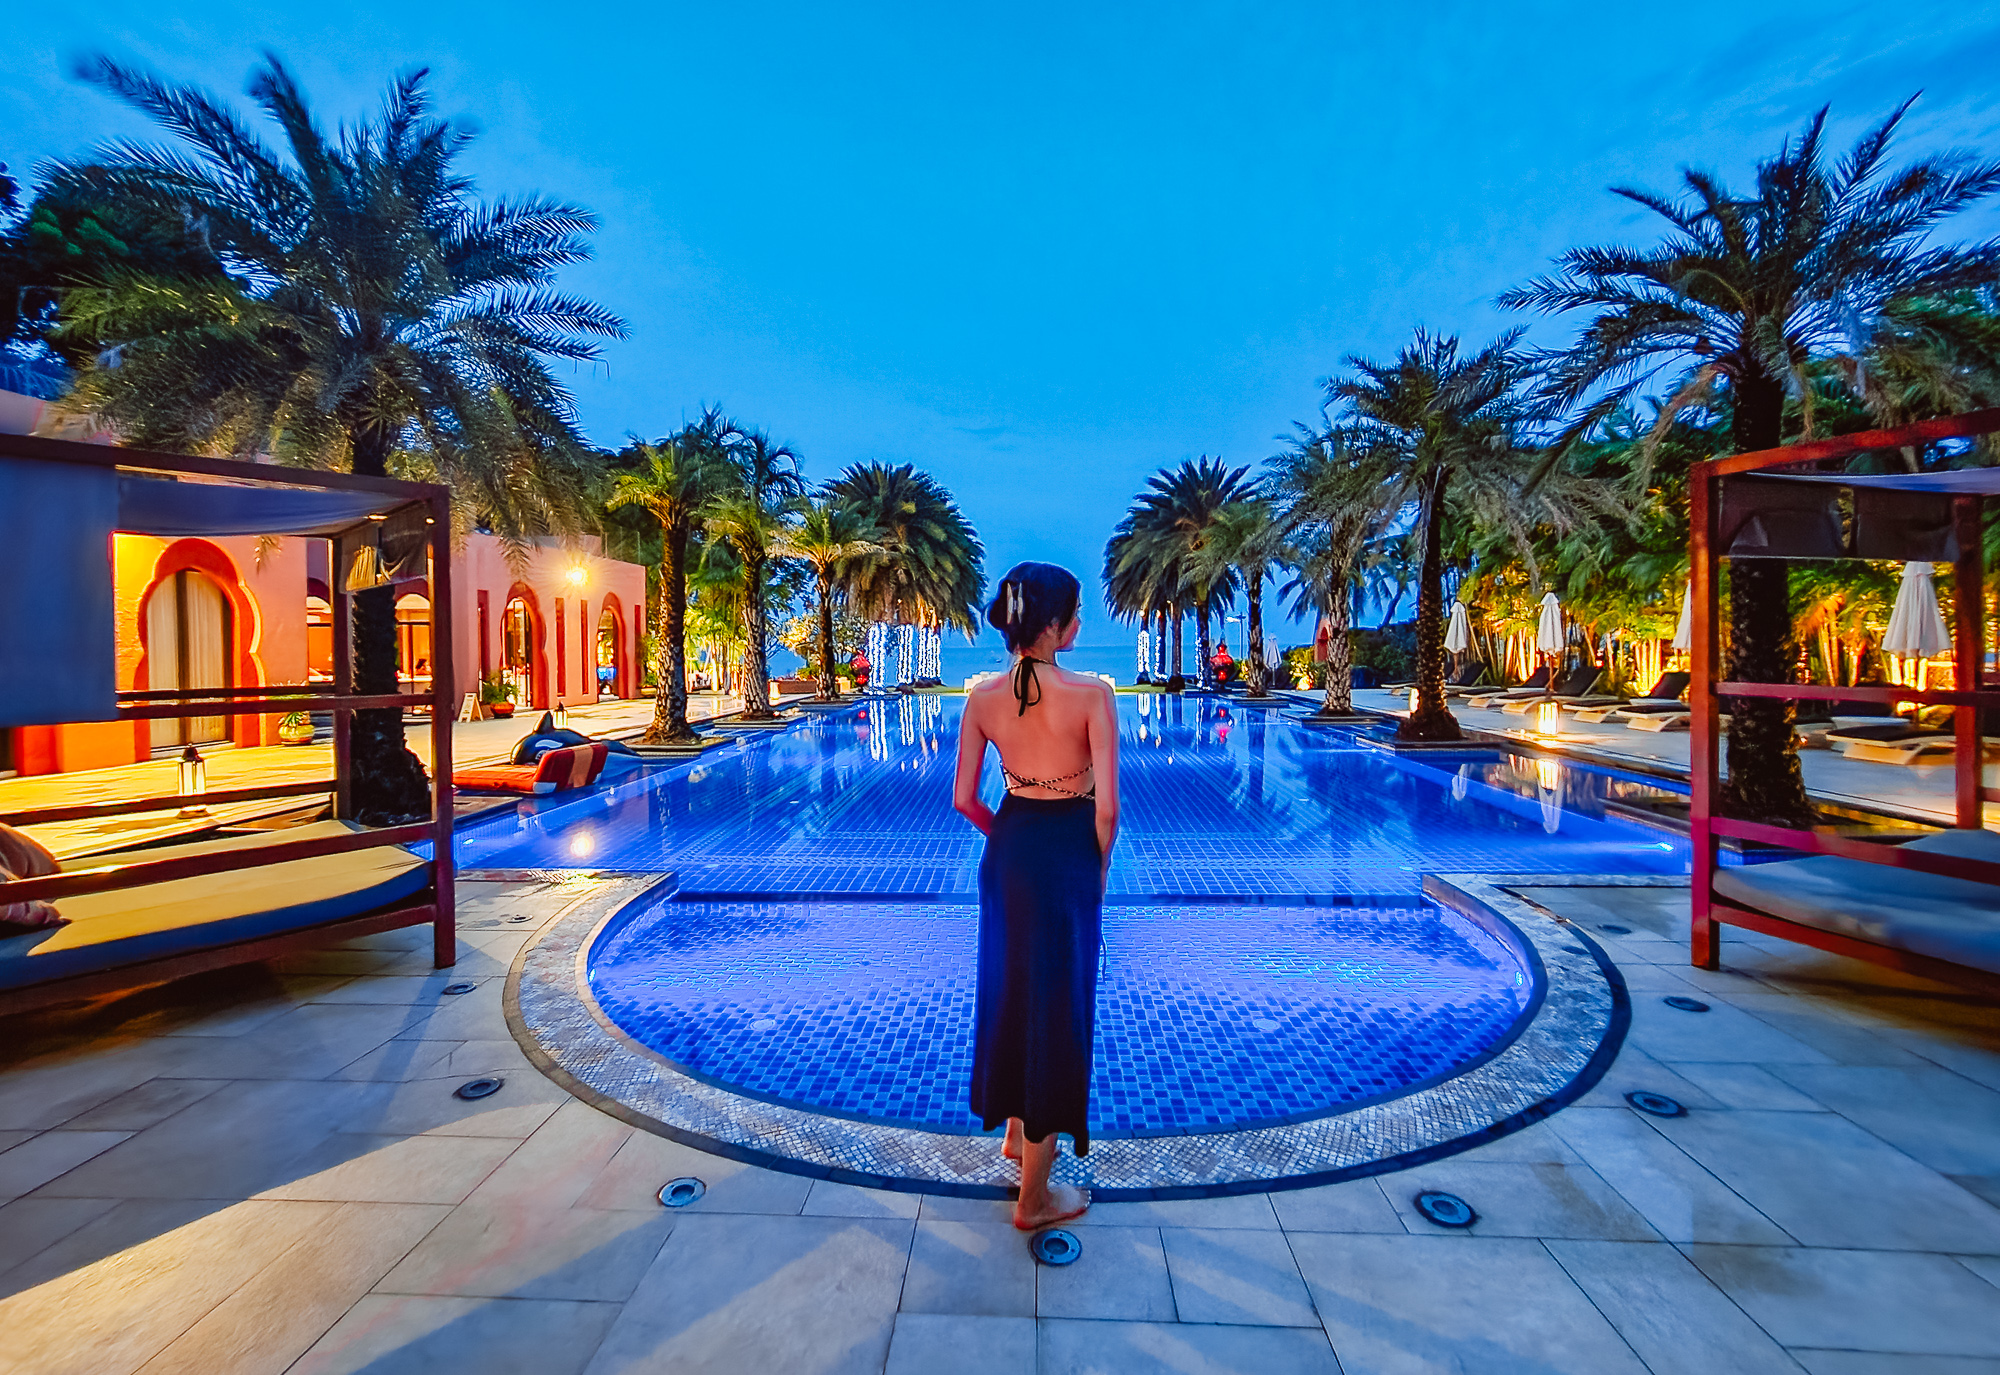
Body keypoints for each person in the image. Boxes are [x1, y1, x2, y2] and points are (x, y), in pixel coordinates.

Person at [952, 562, 1119, 1230]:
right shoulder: (1092, 695)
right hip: (1065, 856)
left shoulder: (983, 698)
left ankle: (1017, 1138)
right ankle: (1034, 1201)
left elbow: (965, 799)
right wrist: (1094, 869)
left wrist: (1010, 837)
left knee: (1013, 993)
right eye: (1074, 613)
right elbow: (1107, 811)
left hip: (1010, 850)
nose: (1078, 622)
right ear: (1053, 624)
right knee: (1056, 1011)